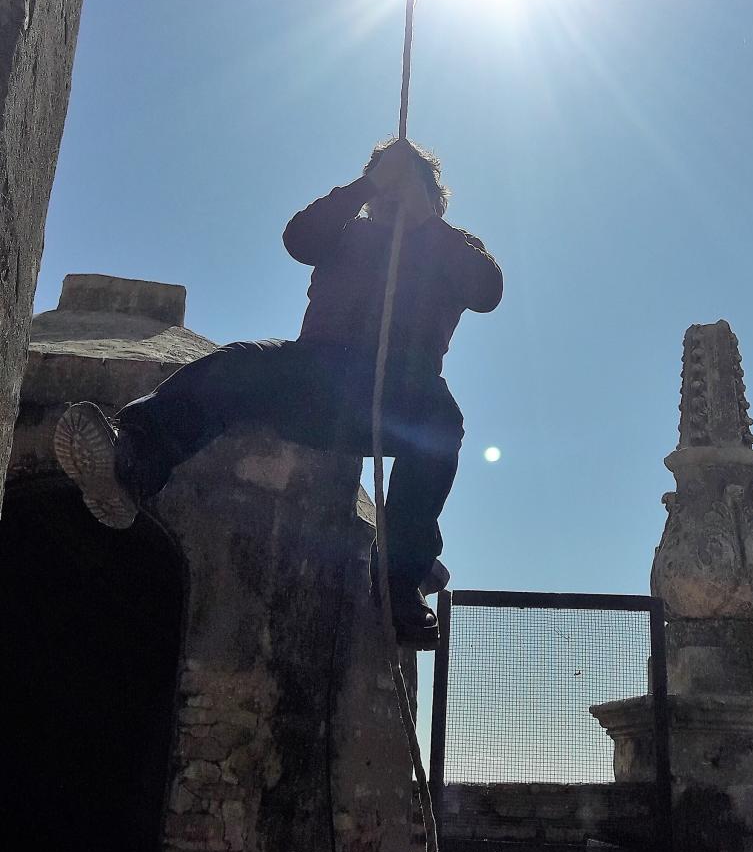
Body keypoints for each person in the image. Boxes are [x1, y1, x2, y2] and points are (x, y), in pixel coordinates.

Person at [54, 138, 503, 647]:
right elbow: (299, 239)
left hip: (402, 391)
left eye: (403, 184)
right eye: (384, 184)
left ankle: (397, 587)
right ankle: (131, 465)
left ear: (433, 196)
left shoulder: (453, 245)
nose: (389, 196)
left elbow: (486, 291)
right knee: (236, 364)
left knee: (441, 425)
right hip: (318, 374)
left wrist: (425, 220)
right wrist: (366, 185)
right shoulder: (348, 232)